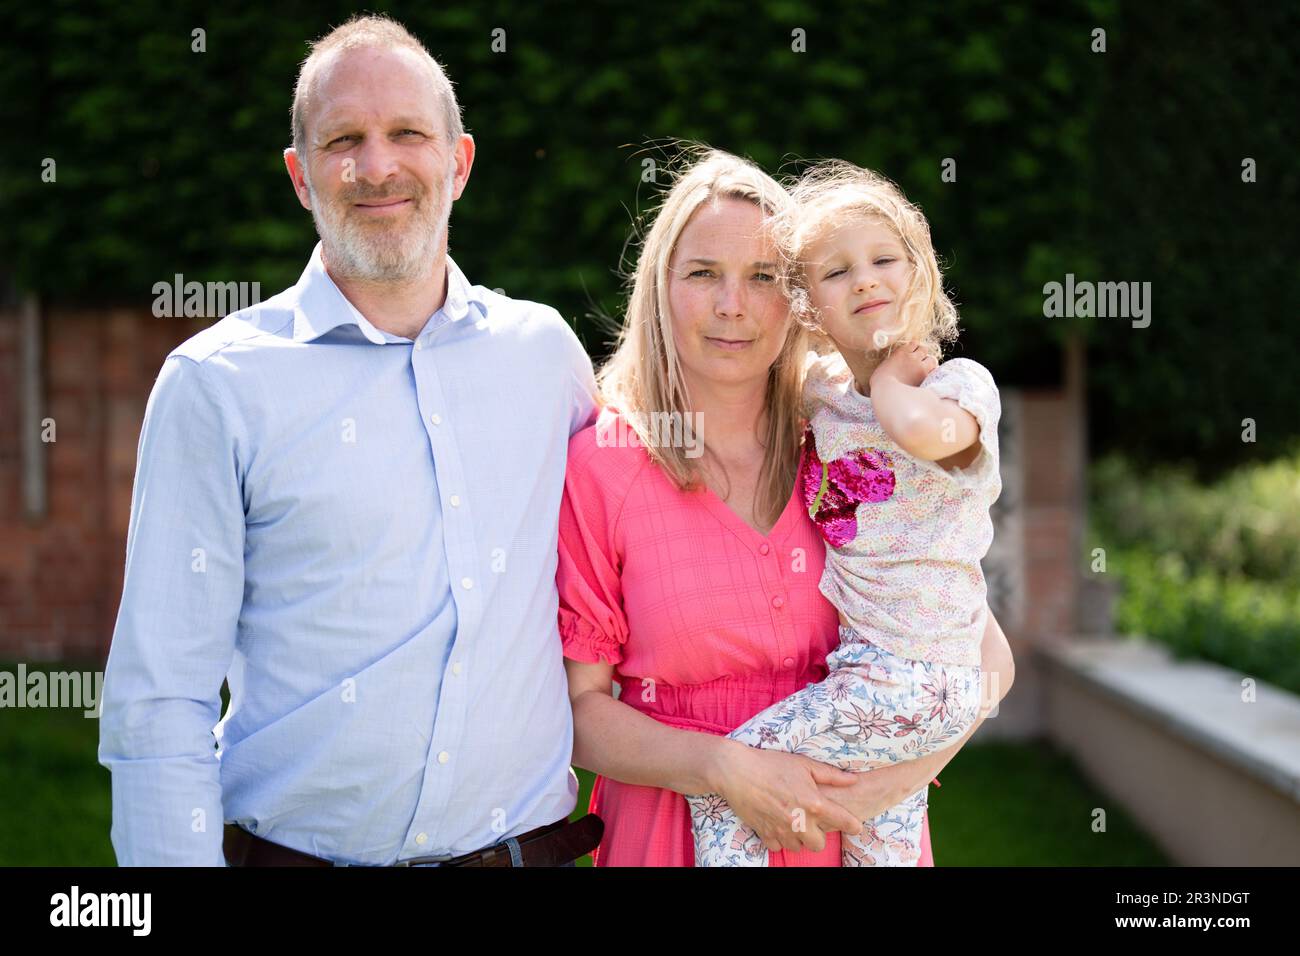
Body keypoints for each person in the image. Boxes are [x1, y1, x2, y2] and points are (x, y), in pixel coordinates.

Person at [97, 13, 600, 867]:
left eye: (408, 133)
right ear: (300, 177)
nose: (377, 167)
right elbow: (160, 696)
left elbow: (636, 542)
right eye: (344, 140)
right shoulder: (216, 386)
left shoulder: (544, 355)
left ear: (460, 161)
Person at [558, 148, 1015, 866]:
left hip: (847, 824)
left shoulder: (844, 449)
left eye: (763, 277)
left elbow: (986, 658)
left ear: (799, 298)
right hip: (674, 831)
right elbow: (581, 714)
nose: (732, 305)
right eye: (703, 273)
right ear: (660, 289)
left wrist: (880, 790)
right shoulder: (604, 465)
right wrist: (722, 770)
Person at [687, 160, 1000, 866]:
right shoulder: (827, 397)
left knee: (731, 779)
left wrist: (891, 378)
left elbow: (929, 437)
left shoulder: (957, 386)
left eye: (885, 260)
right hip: (872, 672)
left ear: (922, 275)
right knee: (874, 840)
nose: (864, 280)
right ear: (808, 309)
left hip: (918, 674)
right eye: (837, 273)